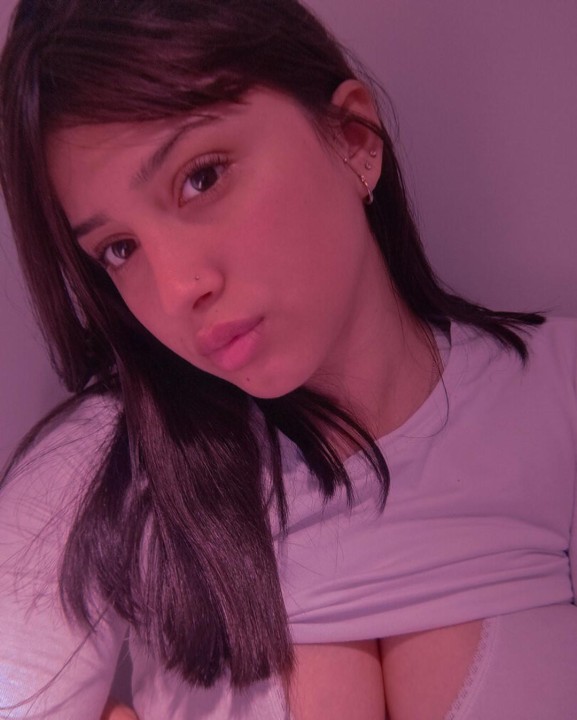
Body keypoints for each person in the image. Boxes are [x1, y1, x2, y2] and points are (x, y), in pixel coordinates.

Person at [0, 0, 576, 718]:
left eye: (201, 178)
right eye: (119, 249)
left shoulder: (556, 398)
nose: (177, 289)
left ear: (352, 139)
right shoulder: (103, 468)